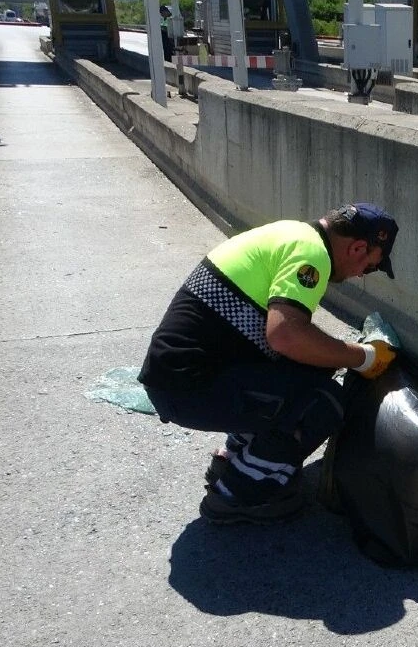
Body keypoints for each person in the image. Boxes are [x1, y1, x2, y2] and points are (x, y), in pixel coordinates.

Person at [140, 204, 400, 524]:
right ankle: (236, 495)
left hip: (183, 375)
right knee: (322, 403)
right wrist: (365, 357)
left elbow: (291, 337)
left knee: (316, 366)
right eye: (370, 267)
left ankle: (234, 460)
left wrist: (343, 355)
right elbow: (286, 335)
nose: (361, 274)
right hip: (185, 388)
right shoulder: (312, 254)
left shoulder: (293, 234)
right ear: (358, 247)